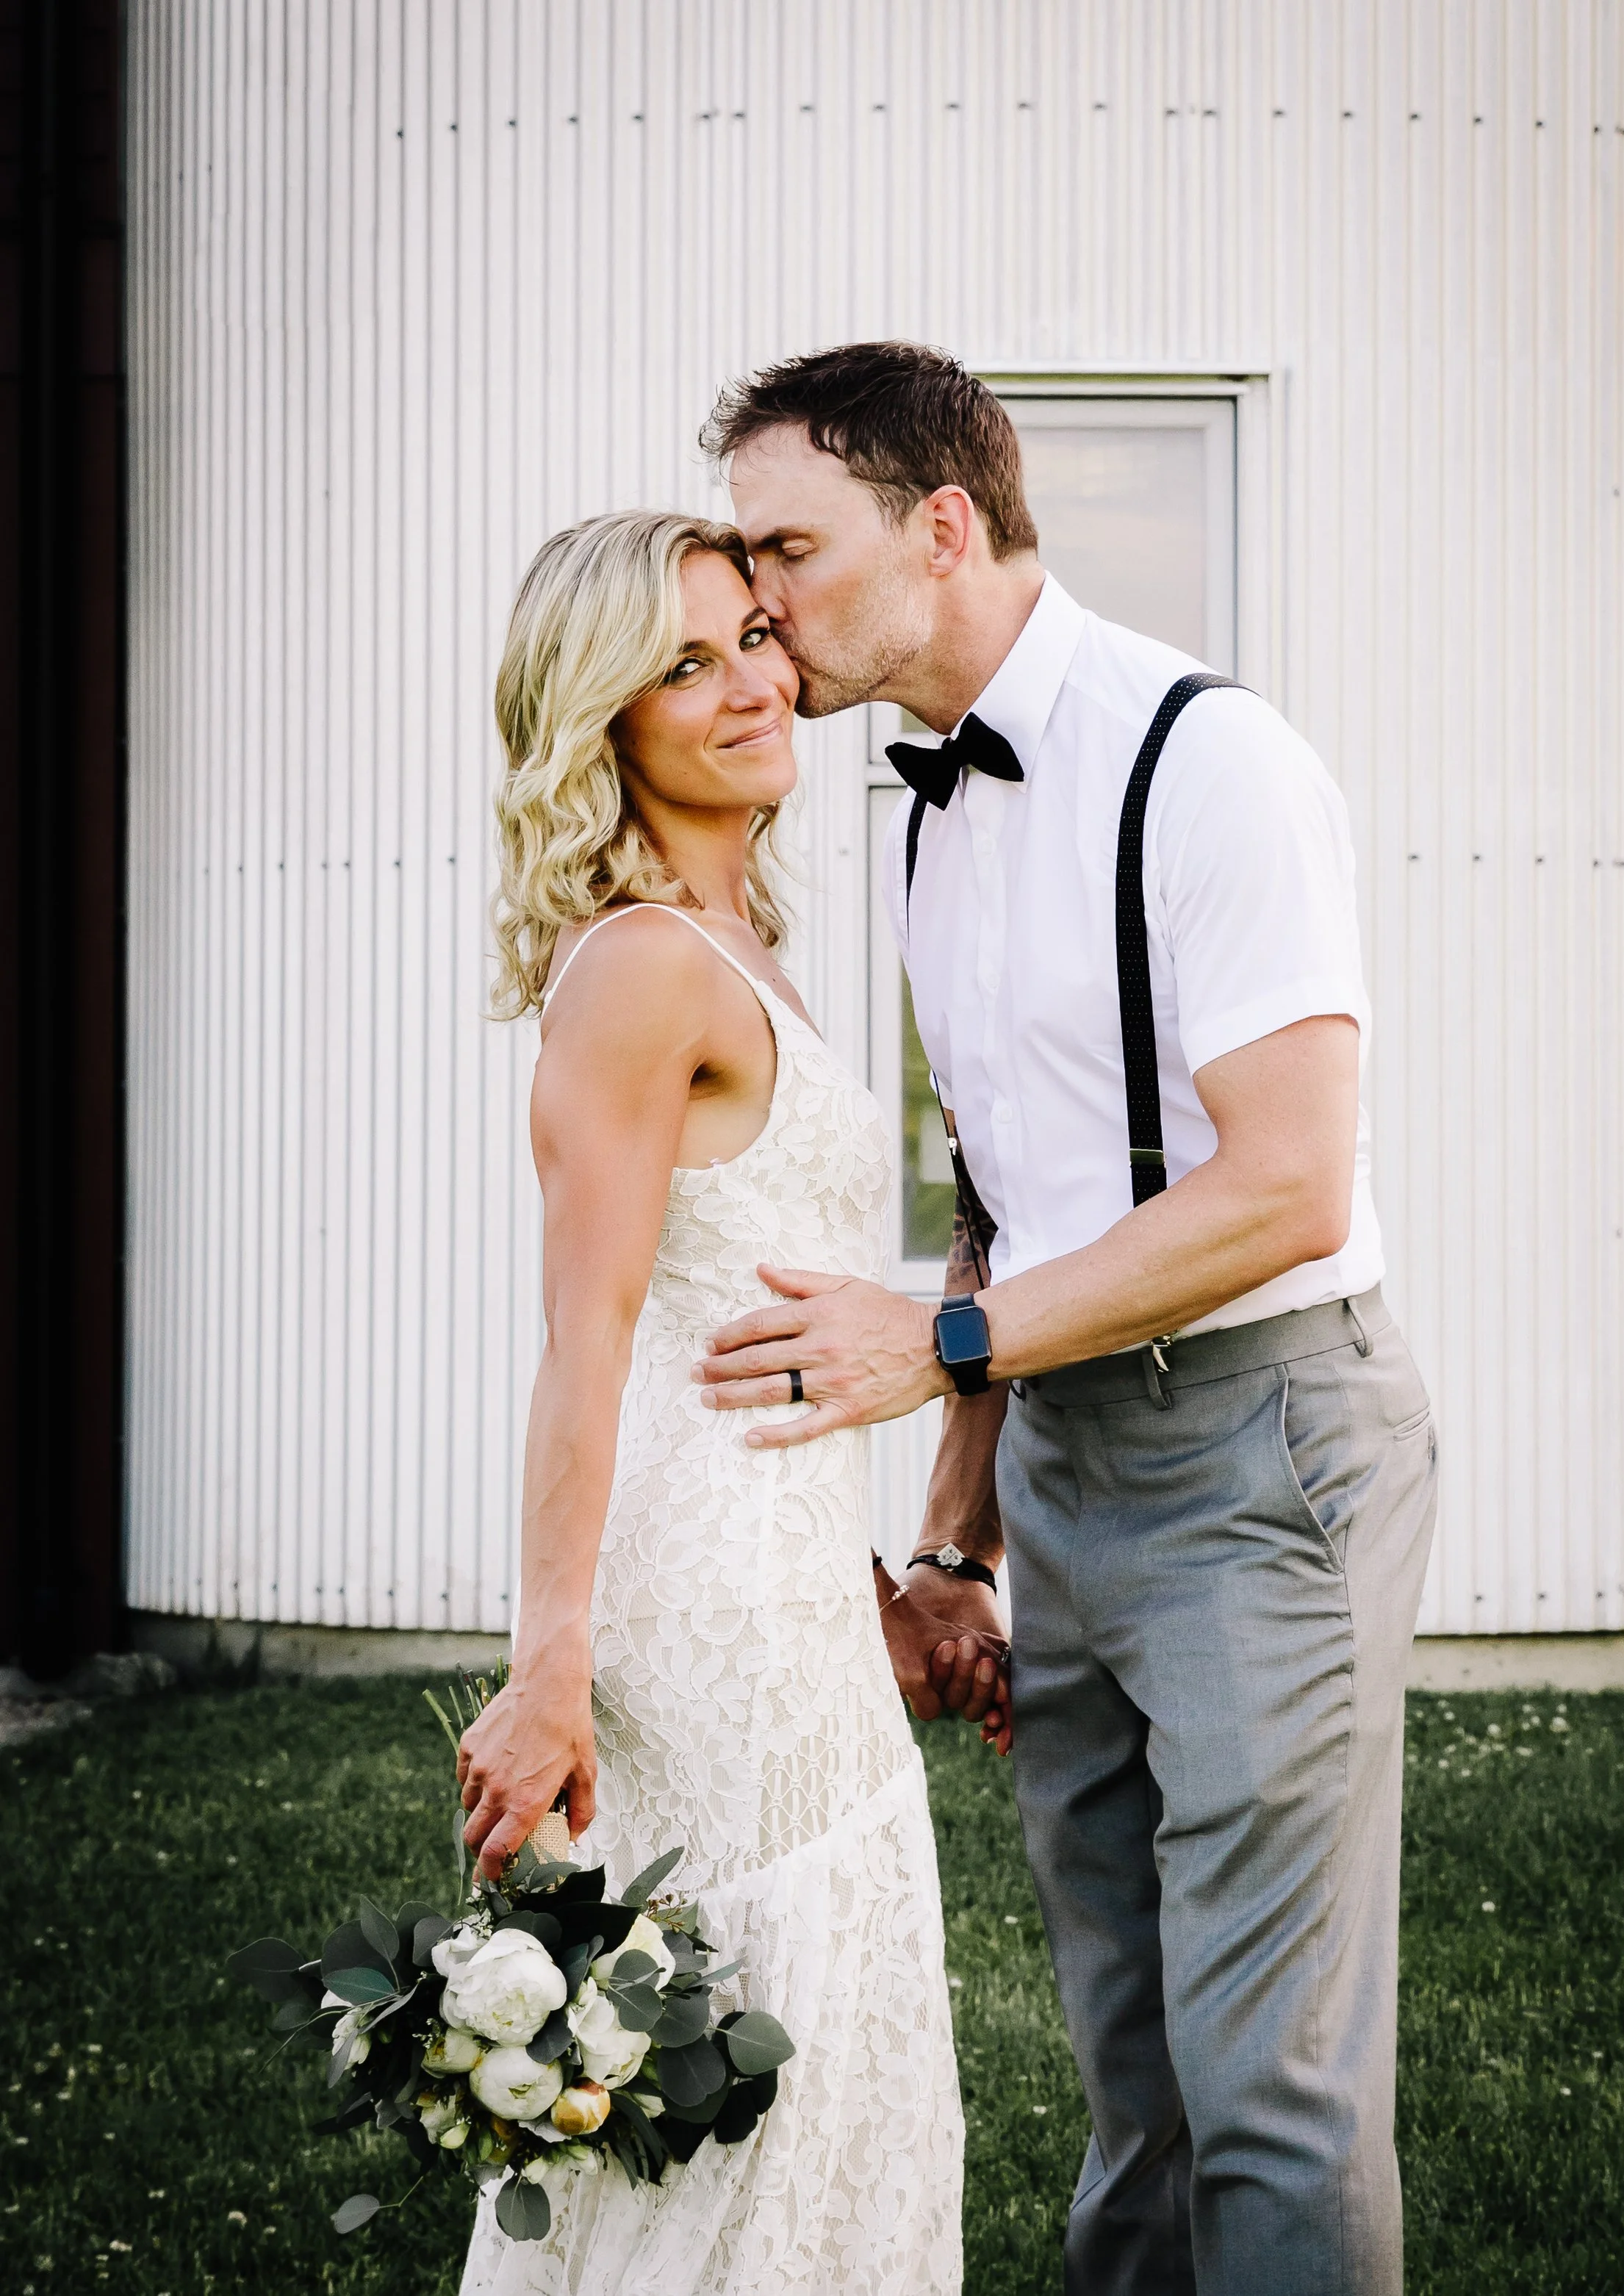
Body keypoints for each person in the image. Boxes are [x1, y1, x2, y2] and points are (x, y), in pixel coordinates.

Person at [695, 342, 1439, 2296]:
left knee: (1267, 2087)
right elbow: (998, 1204)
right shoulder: (924, 817)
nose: (760, 603)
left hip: (1259, 1449)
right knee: (1134, 2078)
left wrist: (940, 1352)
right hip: (1060, 1460)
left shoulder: (1212, 764)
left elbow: (1284, 1183)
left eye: (790, 549)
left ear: (941, 526)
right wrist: (956, 1535)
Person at [453, 509, 975, 2294]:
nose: (754, 680)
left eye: (752, 633)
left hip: (786, 1576)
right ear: (603, 718)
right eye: (685, 662)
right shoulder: (642, 966)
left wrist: (872, 1581)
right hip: (700, 1605)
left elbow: (748, 1303)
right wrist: (547, 1661)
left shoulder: (739, 944)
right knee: (750, 2060)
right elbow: (585, 1335)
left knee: (815, 2045)